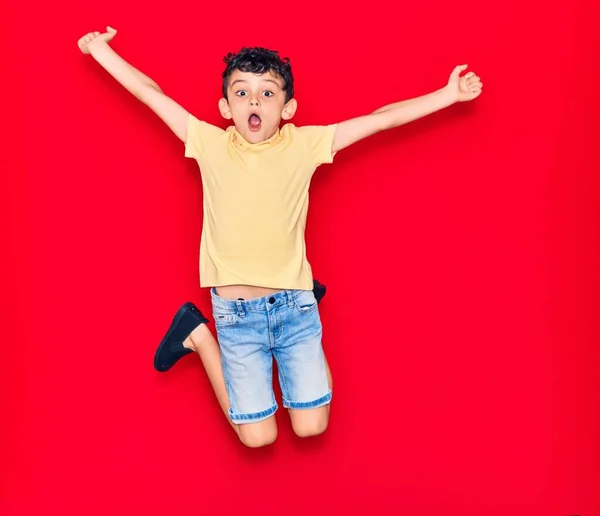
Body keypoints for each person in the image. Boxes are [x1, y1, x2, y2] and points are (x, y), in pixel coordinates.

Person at [77, 26, 483, 448]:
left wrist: (447, 95)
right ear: (225, 107)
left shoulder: (305, 144)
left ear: (288, 109)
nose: (254, 101)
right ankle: (196, 334)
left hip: (293, 305)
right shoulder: (209, 142)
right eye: (242, 92)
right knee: (257, 437)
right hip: (236, 316)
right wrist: (100, 51)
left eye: (267, 93)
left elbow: (381, 119)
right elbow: (150, 92)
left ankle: (307, 296)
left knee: (312, 427)